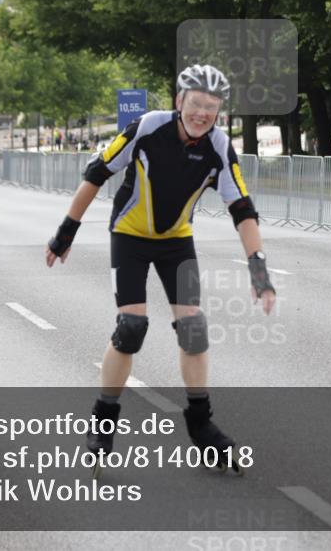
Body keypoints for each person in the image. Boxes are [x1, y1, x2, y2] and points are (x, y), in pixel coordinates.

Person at [45, 64, 276, 474]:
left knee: (194, 329)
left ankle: (201, 425)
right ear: (179, 102)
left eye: (212, 107)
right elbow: (97, 173)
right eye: (196, 104)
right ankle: (103, 422)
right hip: (130, 237)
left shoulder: (219, 146)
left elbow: (242, 209)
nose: (203, 113)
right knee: (131, 328)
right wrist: (66, 232)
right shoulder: (149, 127)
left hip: (175, 242)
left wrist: (259, 271)